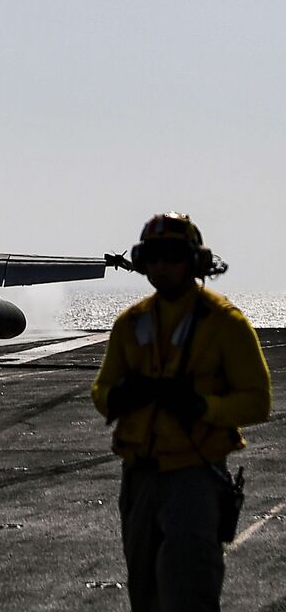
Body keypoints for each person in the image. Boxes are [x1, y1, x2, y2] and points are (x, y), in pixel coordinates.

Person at [91, 212, 272, 611]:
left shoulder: (224, 322)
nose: (160, 265)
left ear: (193, 260)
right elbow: (102, 390)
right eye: (152, 256)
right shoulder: (131, 322)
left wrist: (201, 407)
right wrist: (121, 396)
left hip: (194, 476)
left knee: (188, 593)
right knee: (145, 592)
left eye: (171, 255)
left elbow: (258, 400)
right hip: (138, 477)